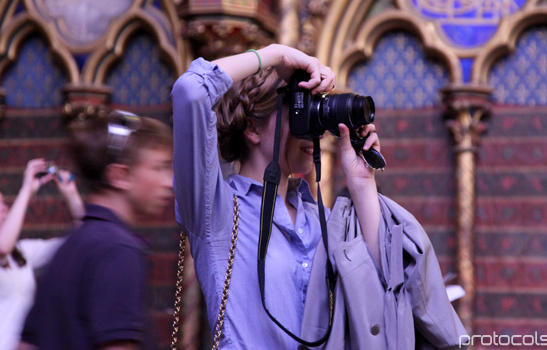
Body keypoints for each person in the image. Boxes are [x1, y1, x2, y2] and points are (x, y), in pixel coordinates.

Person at [172, 44, 467, 349]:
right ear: (252, 127)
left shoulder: (323, 221)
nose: (314, 131)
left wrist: (362, 183)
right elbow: (191, 91)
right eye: (299, 115)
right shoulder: (216, 212)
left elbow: (389, 294)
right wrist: (276, 55)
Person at [19, 111, 174, 350]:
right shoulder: (118, 250)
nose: (169, 182)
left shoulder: (71, 245)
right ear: (120, 175)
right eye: (159, 168)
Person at [0, 159, 83, 350]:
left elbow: (81, 241)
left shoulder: (22, 252)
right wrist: (27, 190)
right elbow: (3, 246)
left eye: (4, 201)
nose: (5, 207)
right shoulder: (5, 248)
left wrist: (71, 195)